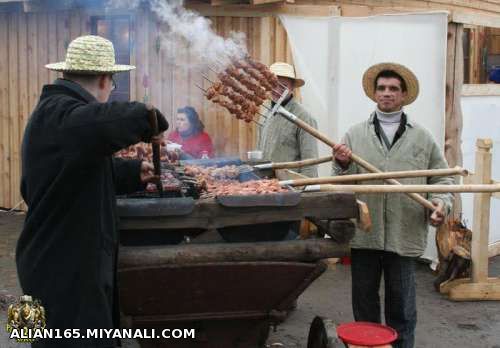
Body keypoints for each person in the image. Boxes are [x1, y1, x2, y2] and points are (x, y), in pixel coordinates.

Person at [16, 35, 168, 347]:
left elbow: (76, 172)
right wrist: (148, 117)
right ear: (103, 79)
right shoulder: (61, 114)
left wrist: (131, 172)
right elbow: (102, 124)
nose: (111, 92)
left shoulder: (55, 116)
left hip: (44, 260)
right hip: (61, 268)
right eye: (112, 83)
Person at [332, 63, 454, 348]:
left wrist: (440, 203)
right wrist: (342, 163)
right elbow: (340, 182)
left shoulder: (421, 137)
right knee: (365, 310)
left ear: (403, 95)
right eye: (382, 88)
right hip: (365, 234)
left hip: (404, 233)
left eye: (393, 89)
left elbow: (443, 179)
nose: (387, 94)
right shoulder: (354, 135)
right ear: (374, 94)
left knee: (401, 310)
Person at [258, 62, 319, 177]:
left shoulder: (304, 117)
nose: (277, 90)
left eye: (283, 86)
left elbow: (310, 163)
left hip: (291, 187)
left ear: (292, 88)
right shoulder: (264, 113)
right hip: (266, 185)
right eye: (273, 84)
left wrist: (306, 189)